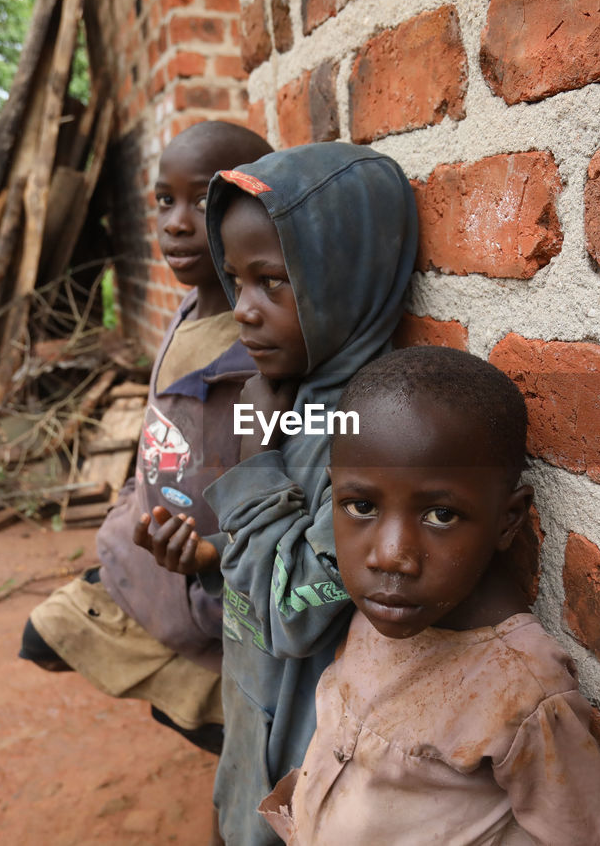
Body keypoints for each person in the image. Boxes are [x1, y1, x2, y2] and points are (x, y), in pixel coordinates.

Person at [142, 142, 418, 845]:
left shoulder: (370, 436)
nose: (243, 310)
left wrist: (261, 457)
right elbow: (267, 567)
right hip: (253, 715)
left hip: (300, 754)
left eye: (272, 281)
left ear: (346, 278)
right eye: (236, 281)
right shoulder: (295, 395)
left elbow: (297, 612)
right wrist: (210, 557)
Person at [257, 346, 600, 846]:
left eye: (441, 515)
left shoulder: (521, 688)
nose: (391, 557)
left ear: (509, 519)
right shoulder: (379, 609)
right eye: (361, 505)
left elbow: (592, 836)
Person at [17, 121, 272, 841]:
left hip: (209, 595)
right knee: (41, 638)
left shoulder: (265, 353)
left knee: (242, 763)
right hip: (145, 558)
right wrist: (133, 502)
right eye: (164, 201)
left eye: (205, 201)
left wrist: (212, 563)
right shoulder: (188, 310)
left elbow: (270, 494)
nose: (177, 223)